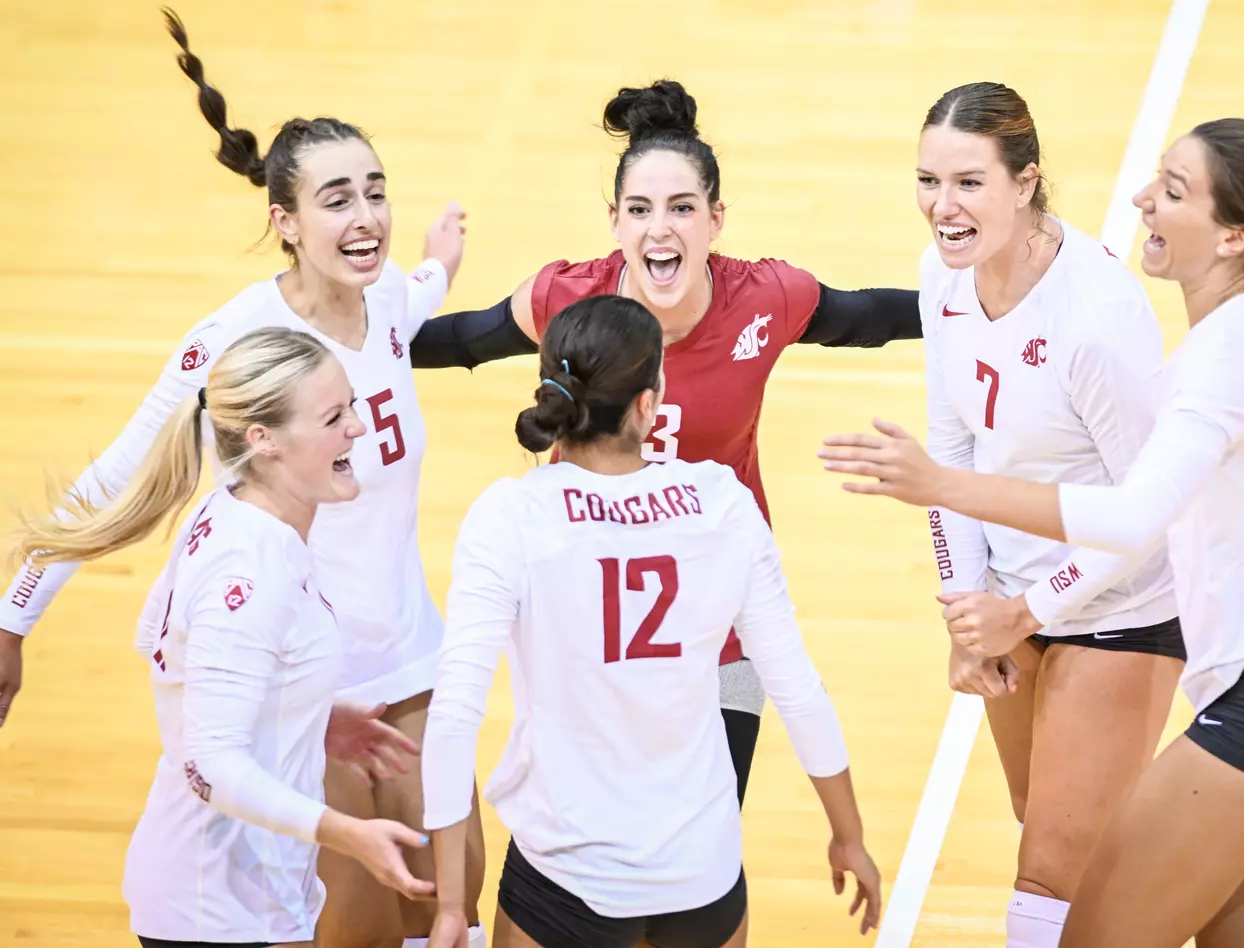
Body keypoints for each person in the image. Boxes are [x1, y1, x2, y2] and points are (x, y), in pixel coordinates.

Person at [820, 119, 1244, 948]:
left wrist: (942, 488)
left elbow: (1129, 517)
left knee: (1086, 930)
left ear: (1236, 235)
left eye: (1174, 191)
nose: (1141, 198)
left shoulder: (1214, 358)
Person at [0, 11, 486, 948]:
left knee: (448, 918)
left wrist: (440, 254)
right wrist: (13, 617)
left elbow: (418, 294)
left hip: (418, 665)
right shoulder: (236, 340)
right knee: (360, 929)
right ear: (286, 222)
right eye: (337, 199)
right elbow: (118, 477)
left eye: (375, 193)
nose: (365, 218)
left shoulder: (385, 296)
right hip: (309, 689)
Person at [409, 79, 921, 817]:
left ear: (716, 219)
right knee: (587, 849)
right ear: (613, 221)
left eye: (683, 209)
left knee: (702, 836)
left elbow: (865, 316)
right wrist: (340, 334)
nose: (661, 230)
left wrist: (988, 297)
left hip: (719, 619)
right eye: (641, 210)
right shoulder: (567, 301)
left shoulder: (765, 299)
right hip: (592, 621)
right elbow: (460, 342)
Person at [419, 295, 881, 948]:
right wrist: (849, 835)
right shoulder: (723, 501)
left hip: (566, 872)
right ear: (649, 402)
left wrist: (446, 905)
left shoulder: (510, 516)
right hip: (702, 872)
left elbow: (456, 711)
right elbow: (795, 685)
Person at [9, 327, 437, 948]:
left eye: (352, 405)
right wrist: (346, 833)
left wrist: (306, 714)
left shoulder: (235, 509)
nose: (359, 428)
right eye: (333, 416)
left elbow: (167, 652)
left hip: (248, 900)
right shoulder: (249, 568)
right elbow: (209, 764)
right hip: (215, 910)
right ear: (264, 441)